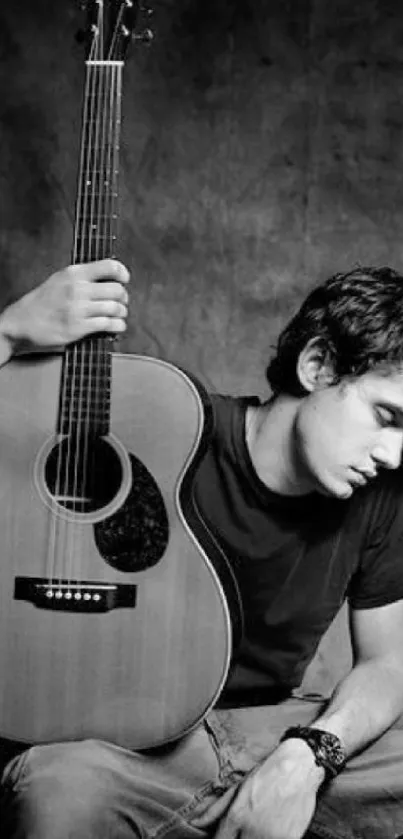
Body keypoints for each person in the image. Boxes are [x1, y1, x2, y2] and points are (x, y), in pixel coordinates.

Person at [1, 259, 403, 839]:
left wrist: (309, 758)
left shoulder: (383, 494)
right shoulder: (170, 425)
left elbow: (387, 663)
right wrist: (10, 331)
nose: (393, 454)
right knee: (57, 787)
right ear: (317, 366)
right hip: (141, 752)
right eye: (386, 417)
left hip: (272, 735)